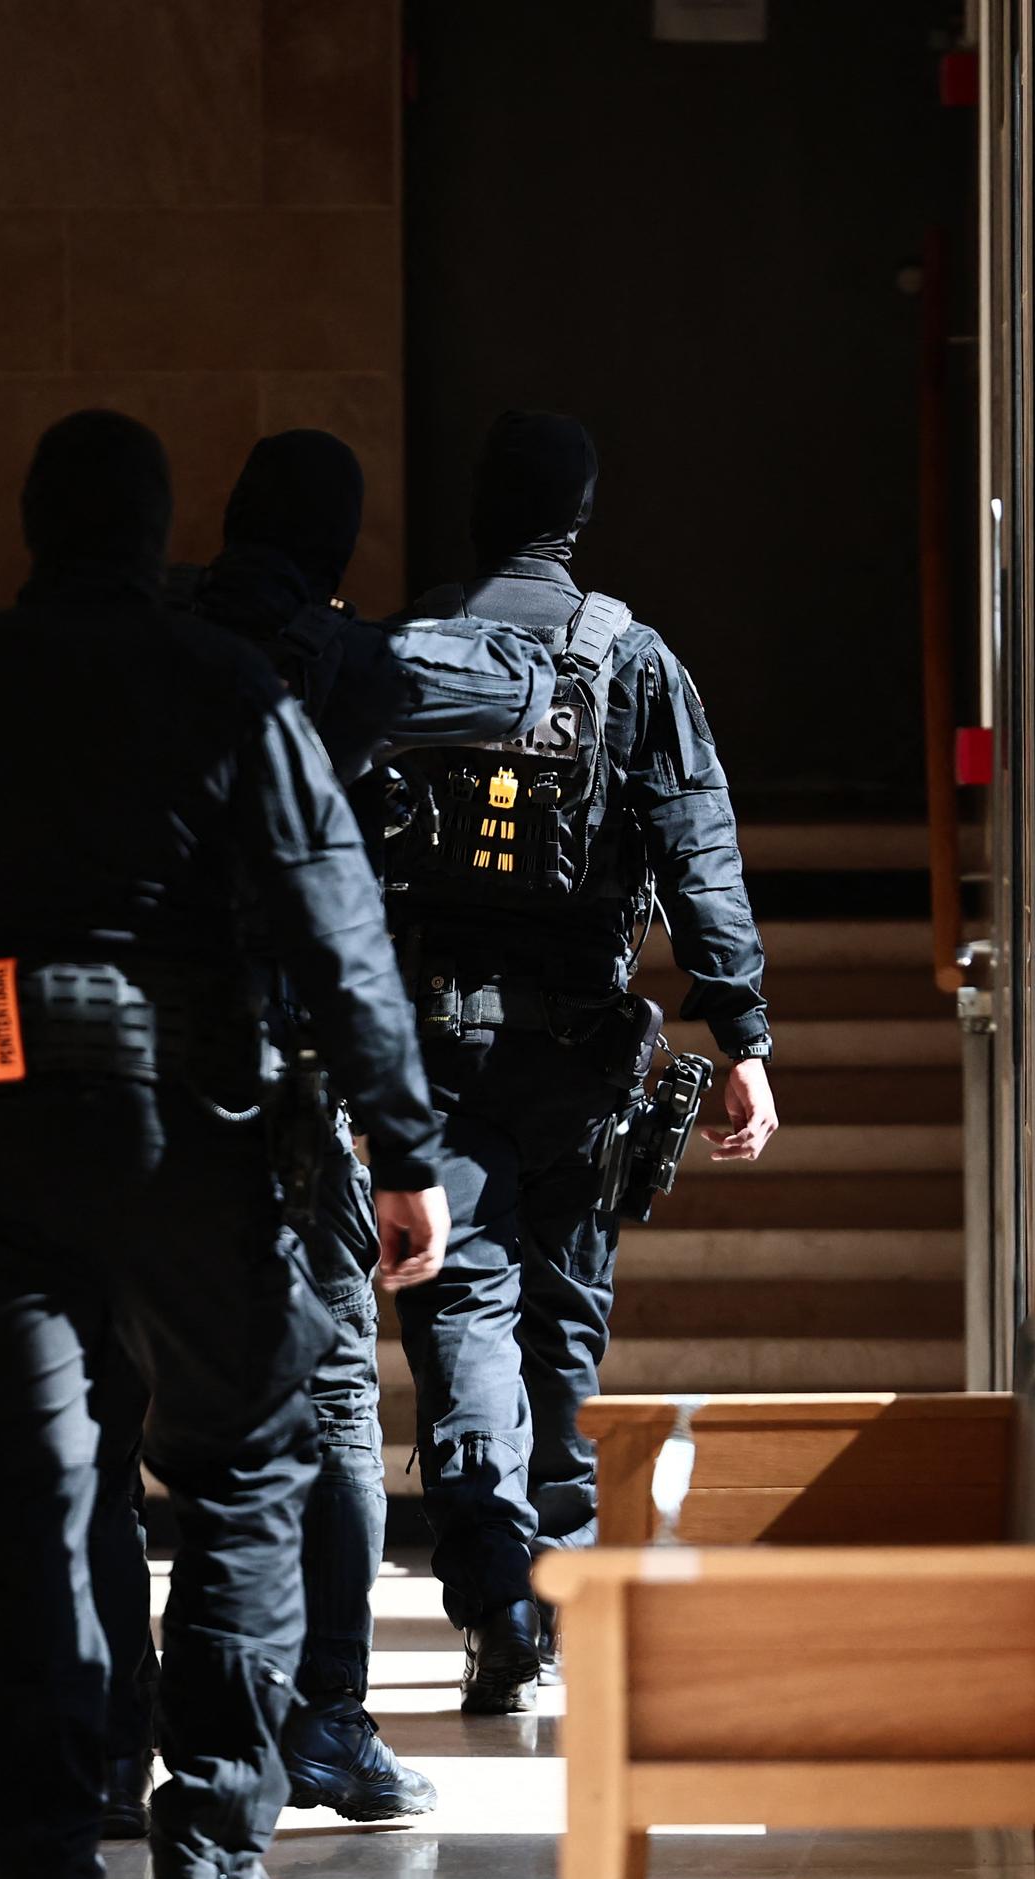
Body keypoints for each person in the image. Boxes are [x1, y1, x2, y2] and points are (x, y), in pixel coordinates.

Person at [0, 410, 450, 1879]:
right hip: (201, 1153)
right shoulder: (229, 687)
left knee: (28, 1512)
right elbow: (336, 921)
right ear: (158, 535)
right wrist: (403, 1146)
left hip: (0, 1153)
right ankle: (215, 1855)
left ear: (34, 523)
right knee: (245, 1476)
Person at [154, 427, 556, 1818]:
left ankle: (105, 1729)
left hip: (106, 1089)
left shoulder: (144, 646)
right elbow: (517, 685)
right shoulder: (336, 664)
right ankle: (324, 1715)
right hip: (274, 1088)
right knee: (331, 1396)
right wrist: (406, 1151)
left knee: (96, 1400)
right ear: (334, 552)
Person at [376, 409, 776, 1715]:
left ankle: (497, 1602)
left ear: (476, 513)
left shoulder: (403, 651)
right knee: (563, 1320)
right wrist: (740, 1035)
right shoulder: (633, 659)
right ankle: (560, 1579)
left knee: (462, 1320)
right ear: (579, 517)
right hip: (578, 1053)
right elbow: (699, 850)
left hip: (432, 1053)